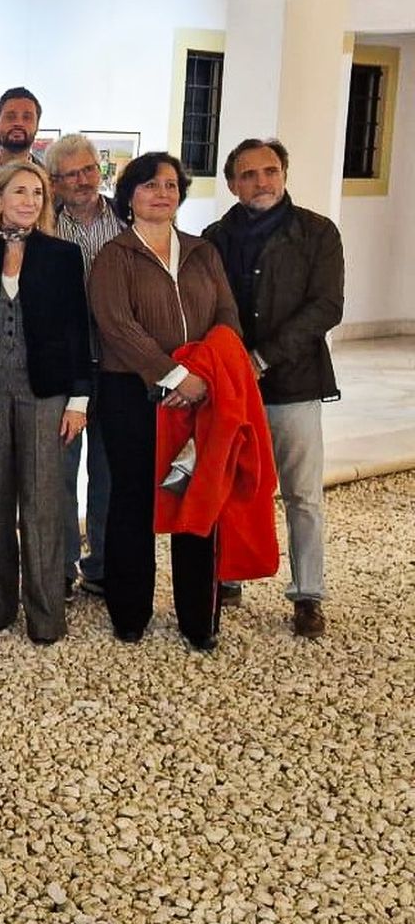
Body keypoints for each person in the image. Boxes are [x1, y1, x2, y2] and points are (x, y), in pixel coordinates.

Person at [89, 153, 243, 651]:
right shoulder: (115, 255)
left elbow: (226, 316)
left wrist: (200, 377)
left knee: (197, 497)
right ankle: (129, 612)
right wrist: (172, 374)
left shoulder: (203, 252)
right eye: (150, 185)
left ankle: (198, 617)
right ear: (129, 195)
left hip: (200, 396)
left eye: (172, 185)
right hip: (131, 394)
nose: (162, 193)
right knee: (133, 498)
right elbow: (117, 324)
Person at [203, 138, 343, 638]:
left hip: (297, 383)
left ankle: (308, 594)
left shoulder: (317, 232)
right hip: (235, 387)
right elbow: (206, 306)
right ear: (231, 184)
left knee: (303, 493)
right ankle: (231, 575)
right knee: (235, 485)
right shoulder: (215, 237)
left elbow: (327, 307)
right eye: (247, 174)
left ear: (284, 173)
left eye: (268, 171)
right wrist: (231, 363)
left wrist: (264, 357)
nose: (260, 182)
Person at [0, 164, 91, 644]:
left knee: (41, 506)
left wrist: (79, 399)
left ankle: (46, 617)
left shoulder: (61, 256)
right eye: (20, 191)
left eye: (38, 193)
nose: (31, 200)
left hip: (47, 395)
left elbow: (79, 331)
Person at [46, 134, 127, 600]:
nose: (81, 181)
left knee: (110, 471)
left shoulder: (126, 219)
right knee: (58, 472)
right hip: (65, 368)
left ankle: (102, 564)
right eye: (69, 174)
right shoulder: (44, 225)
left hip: (118, 365)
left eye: (88, 170)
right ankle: (59, 567)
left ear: (101, 171)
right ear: (53, 182)